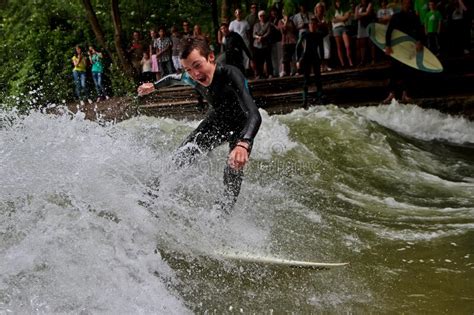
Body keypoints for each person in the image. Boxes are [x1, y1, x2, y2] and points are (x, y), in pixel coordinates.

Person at [137, 38, 262, 213]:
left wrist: (244, 143)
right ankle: (149, 199)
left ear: (211, 57)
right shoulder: (191, 78)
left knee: (232, 173)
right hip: (218, 121)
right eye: (188, 69)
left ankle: (222, 215)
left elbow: (254, 114)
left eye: (197, 65)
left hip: (242, 126)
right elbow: (173, 78)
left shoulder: (230, 74)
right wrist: (154, 86)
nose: (195, 74)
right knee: (182, 155)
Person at [383, 0, 424, 104]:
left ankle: (405, 94)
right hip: (396, 47)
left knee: (408, 70)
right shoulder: (396, 16)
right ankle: (391, 94)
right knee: (393, 69)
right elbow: (389, 31)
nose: (407, 5)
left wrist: (419, 41)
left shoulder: (414, 16)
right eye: (405, 3)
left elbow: (419, 29)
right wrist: (387, 45)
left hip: (409, 47)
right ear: (402, 4)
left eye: (409, 3)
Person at [296, 17, 328, 108]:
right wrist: (298, 60)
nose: (312, 25)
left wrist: (322, 61)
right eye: (311, 24)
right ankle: (304, 101)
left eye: (314, 24)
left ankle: (320, 98)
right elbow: (298, 47)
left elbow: (321, 48)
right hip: (305, 58)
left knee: (318, 79)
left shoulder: (319, 35)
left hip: (315, 57)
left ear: (316, 25)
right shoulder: (304, 34)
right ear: (308, 25)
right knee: (306, 80)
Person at [332, 0, 355, 67]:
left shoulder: (344, 10)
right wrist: (342, 18)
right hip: (336, 29)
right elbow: (333, 20)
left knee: (347, 45)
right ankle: (343, 63)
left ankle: (350, 62)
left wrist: (338, 19)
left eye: (339, 1)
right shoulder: (332, 11)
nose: (338, 3)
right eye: (337, 2)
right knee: (339, 47)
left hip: (344, 27)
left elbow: (346, 18)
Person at [253, 10, 273, 79]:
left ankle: (270, 73)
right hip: (257, 45)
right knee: (258, 61)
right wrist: (258, 37)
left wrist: (262, 37)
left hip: (266, 44)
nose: (262, 17)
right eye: (260, 16)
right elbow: (254, 34)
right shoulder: (256, 25)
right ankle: (259, 74)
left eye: (263, 15)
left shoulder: (268, 24)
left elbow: (268, 33)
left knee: (268, 60)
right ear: (258, 17)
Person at [278, 8, 298, 76]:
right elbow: (283, 31)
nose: (286, 15)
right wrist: (286, 21)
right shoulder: (280, 21)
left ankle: (292, 71)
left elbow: (294, 30)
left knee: (291, 57)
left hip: (292, 41)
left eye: (286, 13)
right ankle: (285, 71)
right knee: (285, 57)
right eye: (284, 13)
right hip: (285, 41)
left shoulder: (291, 21)